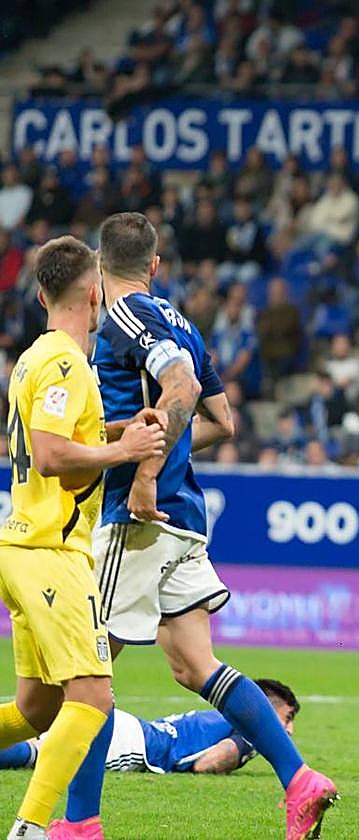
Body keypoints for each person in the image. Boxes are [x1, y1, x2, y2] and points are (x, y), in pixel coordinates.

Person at [55, 213, 336, 840]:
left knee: (89, 668)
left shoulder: (128, 318)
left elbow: (178, 388)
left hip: (139, 514)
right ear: (155, 265)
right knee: (193, 662)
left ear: (101, 270)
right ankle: (299, 780)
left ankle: (80, 824)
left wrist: (147, 468)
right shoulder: (182, 320)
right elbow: (222, 422)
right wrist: (162, 449)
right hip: (186, 516)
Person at [0, 236, 165, 839]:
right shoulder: (67, 362)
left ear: (42, 293)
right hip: (52, 554)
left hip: (22, 548)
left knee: (36, 710)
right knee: (93, 698)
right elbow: (49, 456)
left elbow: (63, 436)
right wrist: (122, 450)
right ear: (94, 292)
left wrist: (120, 429)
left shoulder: (34, 358)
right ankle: (31, 829)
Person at [0, 679, 299, 777]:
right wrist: (256, 743)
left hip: (133, 728)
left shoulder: (219, 717)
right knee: (42, 754)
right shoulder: (247, 731)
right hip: (139, 746)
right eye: (286, 719)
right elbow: (207, 764)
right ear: (266, 711)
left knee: (37, 730)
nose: (289, 730)